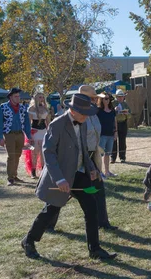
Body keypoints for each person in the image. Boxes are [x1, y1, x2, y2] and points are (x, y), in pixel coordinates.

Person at [21, 93, 116, 260]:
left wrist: (91, 168)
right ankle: (28, 240)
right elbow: (48, 153)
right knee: (51, 210)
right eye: (84, 113)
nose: (87, 116)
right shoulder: (58, 124)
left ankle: (94, 249)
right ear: (74, 110)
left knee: (91, 208)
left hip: (79, 174)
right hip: (61, 175)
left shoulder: (83, 122)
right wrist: (59, 179)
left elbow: (83, 149)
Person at [46, 86, 118, 232]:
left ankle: (102, 222)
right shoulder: (72, 116)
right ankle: (48, 223)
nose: (96, 99)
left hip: (91, 157)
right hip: (75, 159)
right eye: (93, 97)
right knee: (61, 194)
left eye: (96, 98)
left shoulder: (94, 114)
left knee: (97, 190)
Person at [0, 88, 32, 186]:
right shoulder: (3, 107)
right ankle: (10, 178)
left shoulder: (22, 108)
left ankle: (15, 175)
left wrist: (29, 135)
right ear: (10, 97)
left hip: (20, 134)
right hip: (9, 134)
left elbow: (26, 123)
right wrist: (0, 137)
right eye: (16, 96)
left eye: (18, 96)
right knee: (11, 156)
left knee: (17, 155)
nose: (18, 98)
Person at [27, 92, 51, 179]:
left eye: (42, 97)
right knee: (34, 152)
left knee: (43, 152)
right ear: (35, 98)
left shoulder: (46, 109)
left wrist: (49, 133)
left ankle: (43, 171)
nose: (41, 99)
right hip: (35, 132)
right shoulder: (31, 109)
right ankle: (33, 172)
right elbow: (28, 123)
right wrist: (29, 133)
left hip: (44, 132)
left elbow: (48, 123)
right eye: (39, 97)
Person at [96, 93, 117, 177]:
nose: (107, 100)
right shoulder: (98, 111)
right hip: (102, 135)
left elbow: (115, 122)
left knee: (108, 153)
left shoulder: (112, 110)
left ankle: (107, 172)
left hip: (110, 135)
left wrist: (116, 132)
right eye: (105, 98)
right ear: (101, 100)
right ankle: (99, 172)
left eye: (108, 98)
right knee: (100, 154)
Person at [112, 89, 131, 163]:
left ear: (123, 97)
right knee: (114, 141)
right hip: (114, 124)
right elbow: (109, 112)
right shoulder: (112, 103)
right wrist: (114, 110)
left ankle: (122, 157)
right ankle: (113, 157)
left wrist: (126, 114)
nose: (120, 98)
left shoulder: (125, 104)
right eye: (118, 96)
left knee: (122, 141)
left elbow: (130, 114)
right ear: (116, 97)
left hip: (123, 123)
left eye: (121, 97)